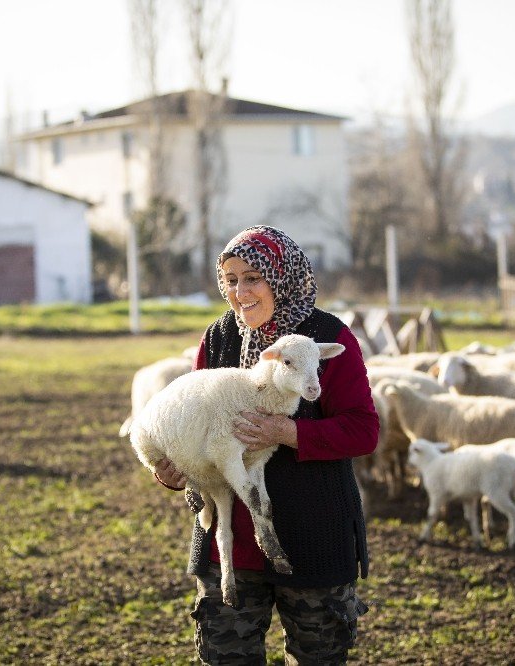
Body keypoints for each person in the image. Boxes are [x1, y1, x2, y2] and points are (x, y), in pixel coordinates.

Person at [153, 225, 379, 664]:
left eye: (253, 278)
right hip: (232, 548)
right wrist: (173, 470)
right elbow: (187, 423)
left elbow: (363, 430)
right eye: (231, 280)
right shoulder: (218, 339)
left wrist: (288, 432)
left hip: (313, 538)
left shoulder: (328, 339)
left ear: (281, 277)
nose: (240, 292)